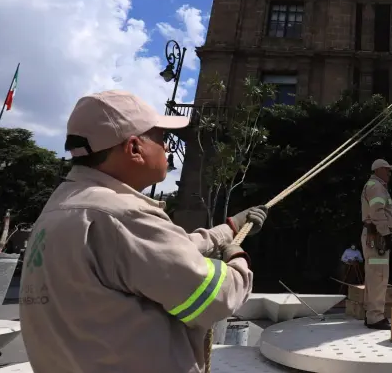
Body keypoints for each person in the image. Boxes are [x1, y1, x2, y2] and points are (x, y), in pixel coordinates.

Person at [19, 90, 268, 373]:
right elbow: (214, 299)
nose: (168, 149)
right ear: (134, 148)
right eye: (162, 139)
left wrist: (230, 228)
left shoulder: (65, 206)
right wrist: (238, 257)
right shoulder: (122, 214)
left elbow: (163, 251)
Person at [360, 158, 392, 330]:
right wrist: (386, 233)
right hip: (377, 236)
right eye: (387, 169)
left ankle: (371, 315)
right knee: (379, 277)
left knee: (373, 276)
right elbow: (377, 212)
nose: (389, 173)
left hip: (374, 235)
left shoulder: (374, 186)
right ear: (379, 170)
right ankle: (376, 317)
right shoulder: (376, 186)